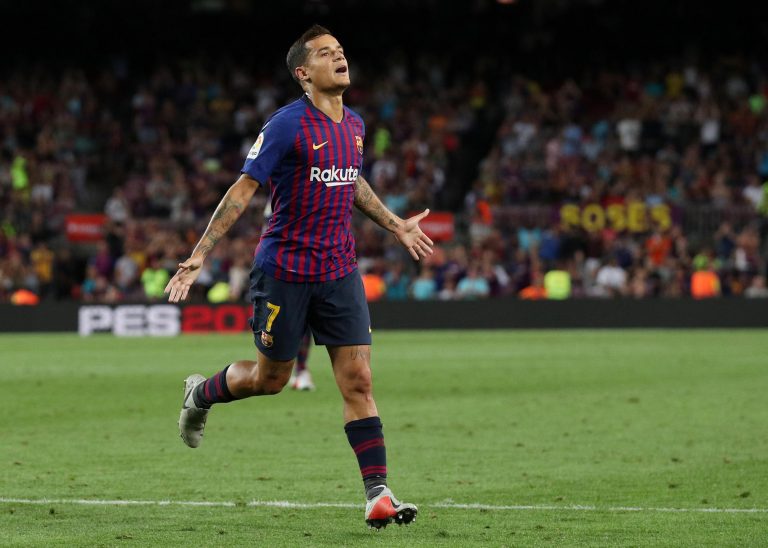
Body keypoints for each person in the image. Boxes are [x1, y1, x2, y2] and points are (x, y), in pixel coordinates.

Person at [165, 25, 433, 529]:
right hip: (284, 273)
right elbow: (242, 190)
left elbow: (351, 181)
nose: (340, 57)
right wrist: (201, 253)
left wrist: (395, 224)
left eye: (341, 50)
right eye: (327, 53)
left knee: (359, 380)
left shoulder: (354, 124)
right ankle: (200, 394)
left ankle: (378, 492)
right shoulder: (286, 125)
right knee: (271, 380)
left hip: (339, 272)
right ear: (303, 73)